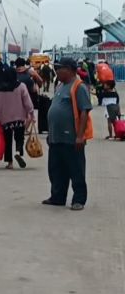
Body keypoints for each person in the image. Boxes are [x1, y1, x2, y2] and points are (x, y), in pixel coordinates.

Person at [43, 57, 92, 210]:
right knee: (56, 169)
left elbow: (84, 111)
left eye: (60, 68)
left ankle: (78, 199)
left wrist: (79, 136)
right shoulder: (59, 86)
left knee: (75, 169)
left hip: (71, 138)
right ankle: (58, 196)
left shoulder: (78, 87)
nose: (57, 71)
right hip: (56, 138)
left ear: (70, 69)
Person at [0, 65, 35, 169]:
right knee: (19, 138)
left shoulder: (0, 89)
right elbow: (27, 102)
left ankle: (10, 163)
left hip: (5, 120)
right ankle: (18, 153)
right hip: (19, 119)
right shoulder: (21, 86)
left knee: (8, 141)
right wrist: (31, 113)